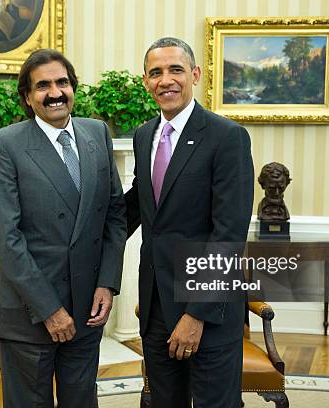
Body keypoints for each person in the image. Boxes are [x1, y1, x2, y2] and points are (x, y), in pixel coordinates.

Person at [0, 48, 126, 408]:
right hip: (29, 316)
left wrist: (107, 283)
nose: (55, 92)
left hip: (86, 311)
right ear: (28, 97)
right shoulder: (4, 145)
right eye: (43, 85)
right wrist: (49, 310)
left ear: (73, 87)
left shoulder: (97, 133)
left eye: (62, 82)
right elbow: (6, 238)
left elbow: (114, 214)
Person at [125, 37, 254, 408]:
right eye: (156, 72)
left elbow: (228, 234)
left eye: (175, 70)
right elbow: (138, 207)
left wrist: (196, 314)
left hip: (208, 310)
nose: (166, 80)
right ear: (146, 81)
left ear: (195, 74)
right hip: (155, 306)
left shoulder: (227, 137)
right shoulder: (143, 135)